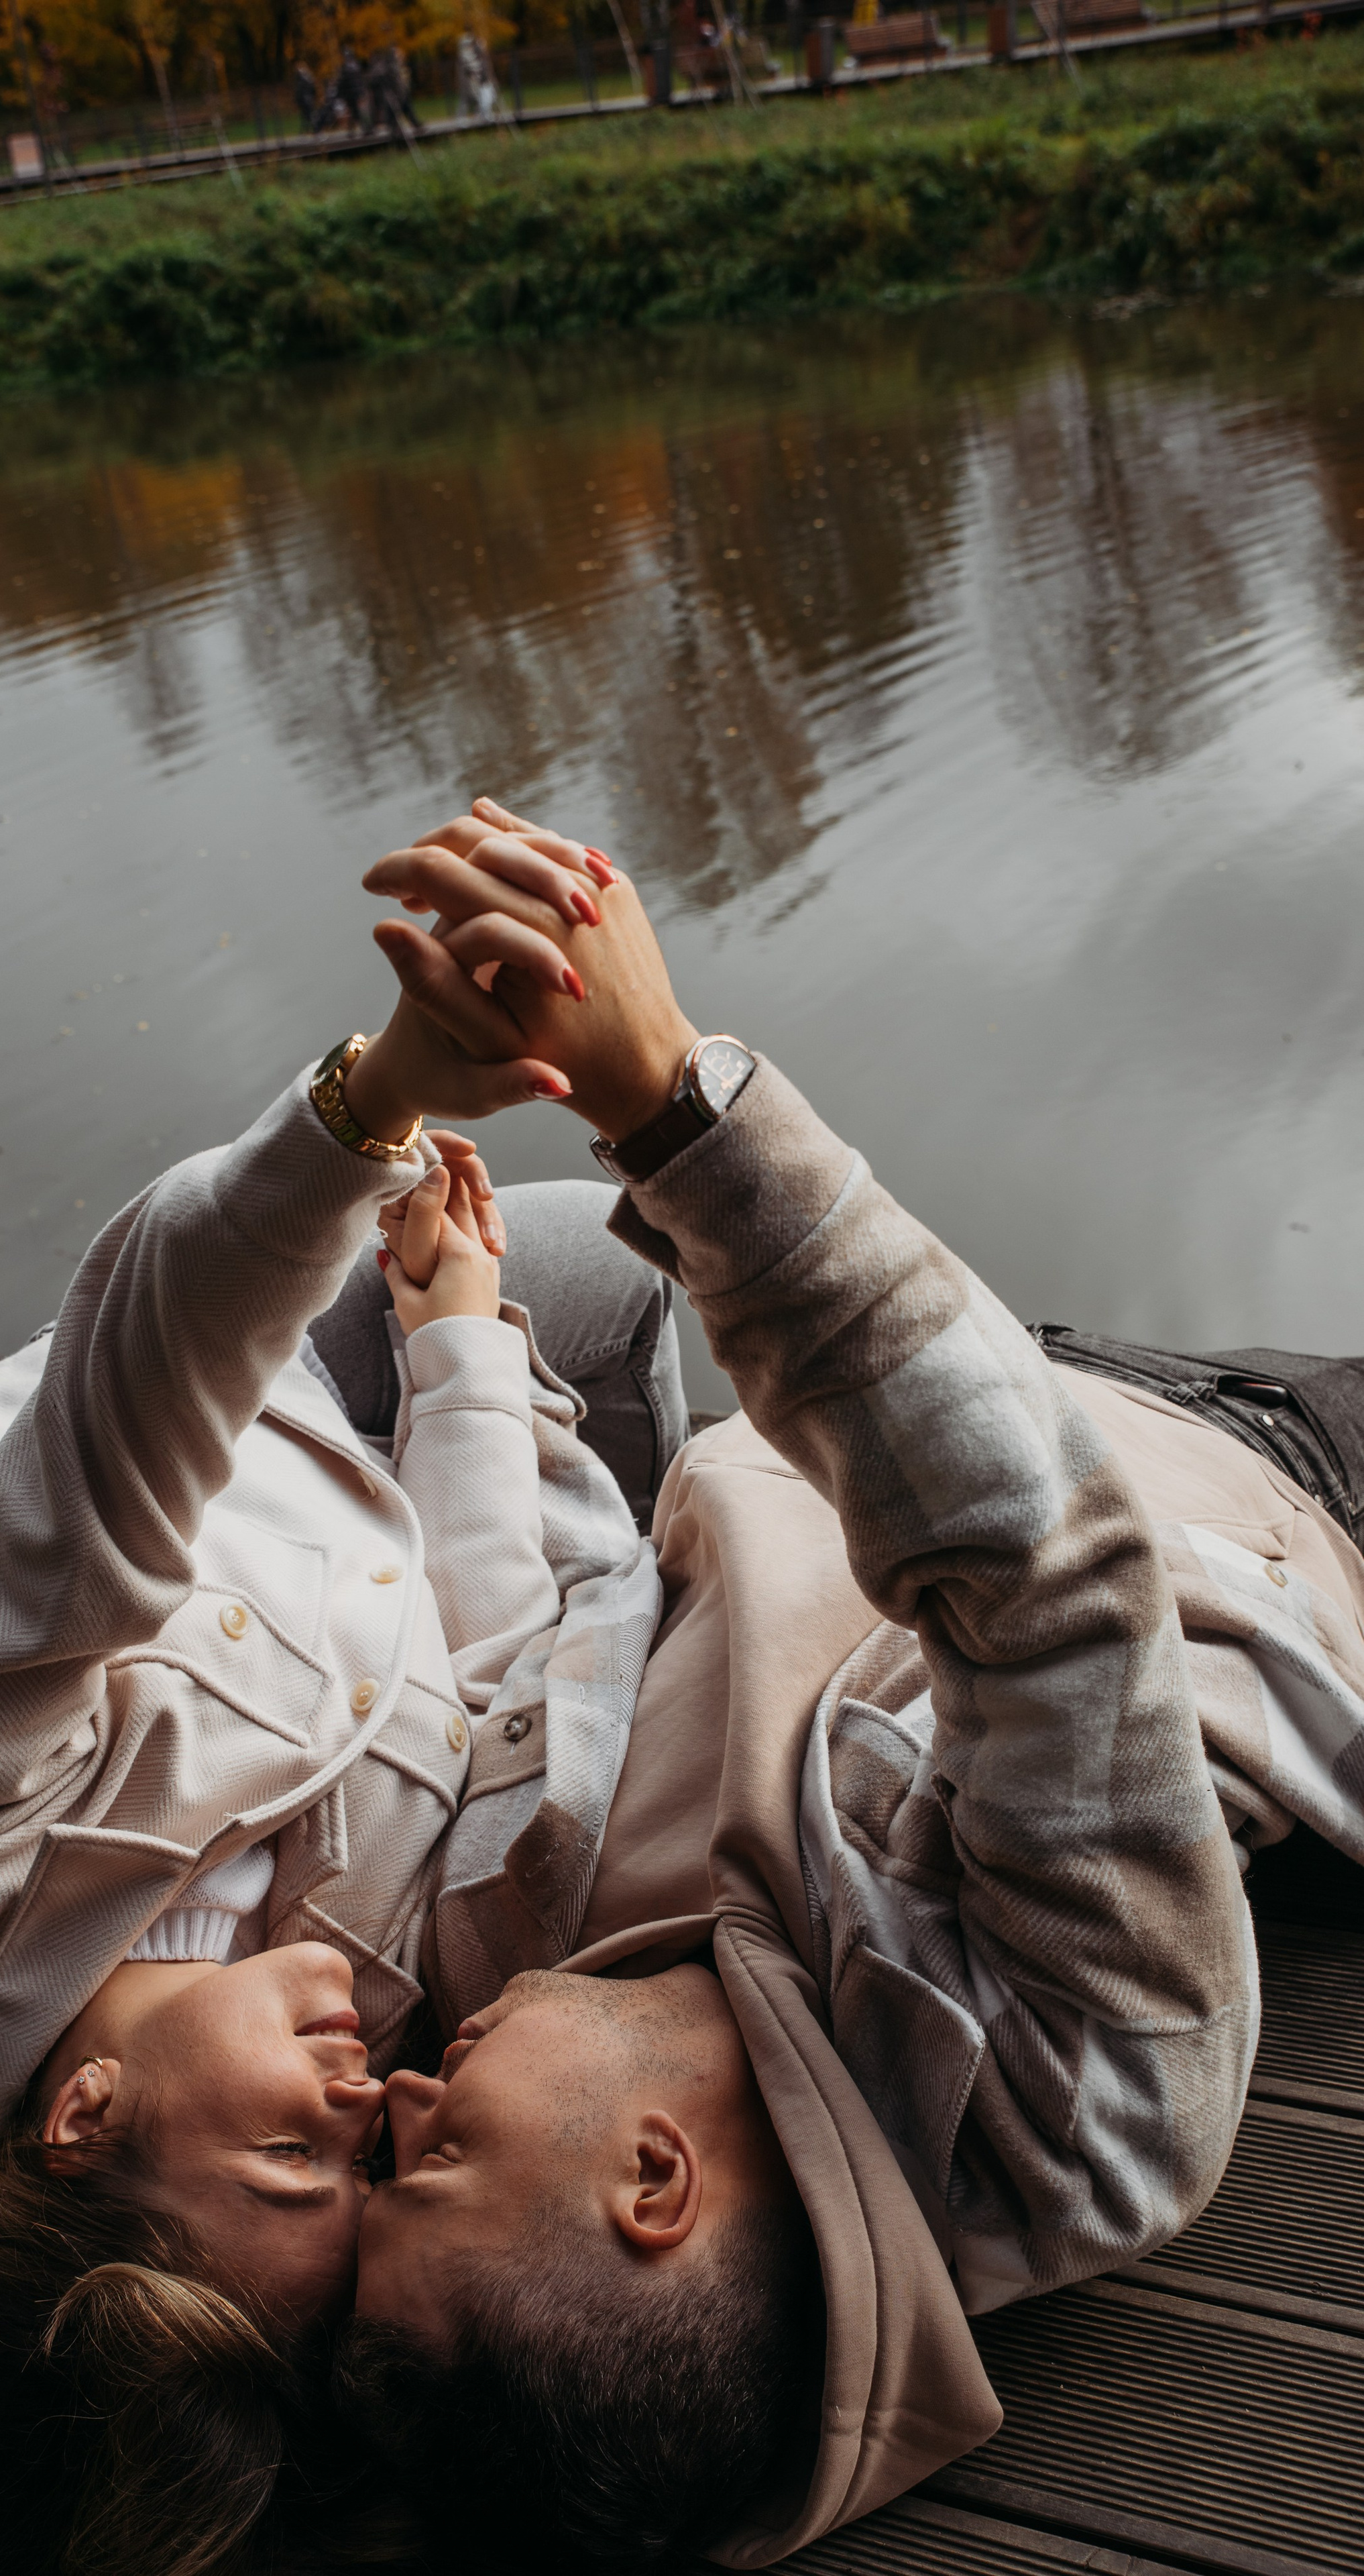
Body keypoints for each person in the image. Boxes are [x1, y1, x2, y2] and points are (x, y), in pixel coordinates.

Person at [336, 800, 1364, 2569]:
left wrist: (456, 1348)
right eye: (430, 2161)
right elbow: (1040, 1575)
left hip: (949, 1391)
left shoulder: (516, 1980)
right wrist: (668, 1105)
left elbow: (549, 1646)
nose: (392, 2105)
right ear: (652, 2182)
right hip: (1279, 1478)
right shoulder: (1056, 2101)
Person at [0, 873, 680, 2576]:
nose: (366, 2102)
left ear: (82, 2116)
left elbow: (126, 1428)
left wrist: (378, 1094)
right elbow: (481, 1667)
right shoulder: (365, 1998)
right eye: (356, 2175)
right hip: (381, 1453)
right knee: (598, 1280)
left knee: (582, 1242)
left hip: (206, 1368)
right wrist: (457, 1355)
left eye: (288, 2151)